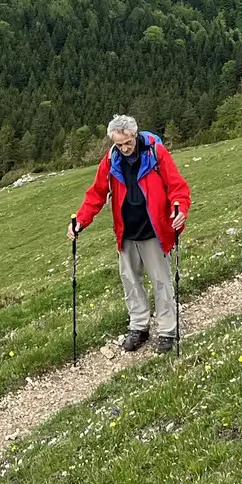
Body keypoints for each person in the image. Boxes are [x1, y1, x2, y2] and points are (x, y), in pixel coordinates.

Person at [71, 115, 191, 352]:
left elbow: (178, 187)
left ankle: (167, 331)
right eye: (119, 144)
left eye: (128, 142)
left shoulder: (156, 153)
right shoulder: (111, 160)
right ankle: (139, 327)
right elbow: (96, 193)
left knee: (161, 282)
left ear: (135, 135)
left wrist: (180, 209)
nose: (125, 148)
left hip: (154, 230)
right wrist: (80, 221)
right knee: (131, 282)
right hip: (126, 232)